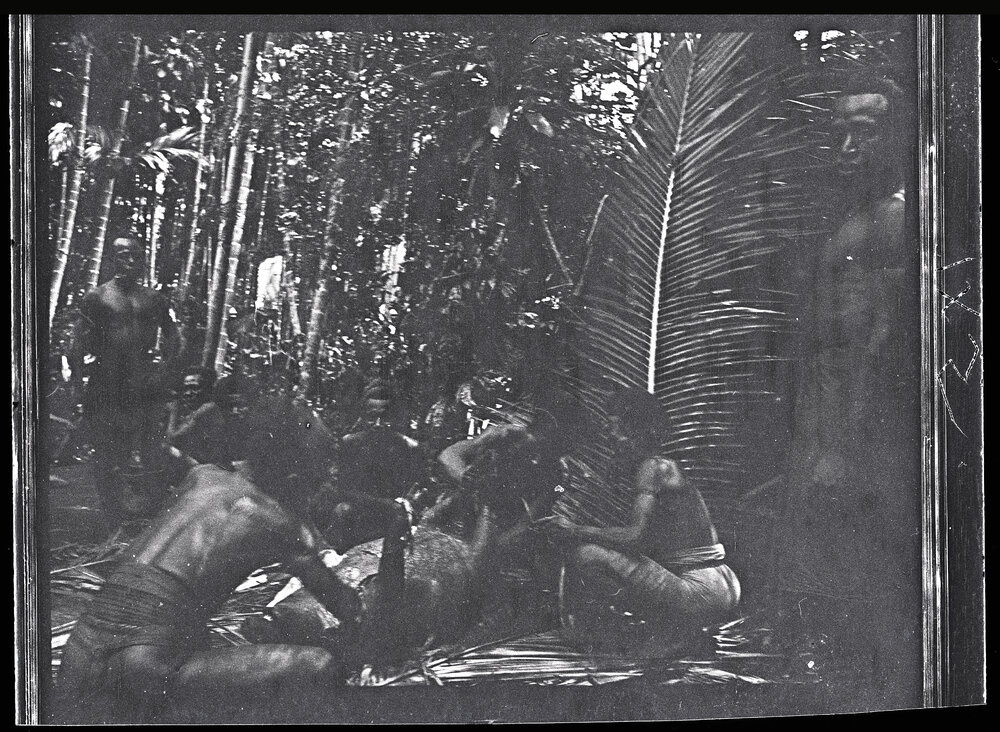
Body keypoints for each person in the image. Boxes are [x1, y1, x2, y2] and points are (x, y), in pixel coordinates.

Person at [53, 397, 363, 724]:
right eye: (320, 466)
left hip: (78, 655)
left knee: (191, 633)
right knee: (320, 667)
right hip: (143, 667)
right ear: (296, 470)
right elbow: (344, 605)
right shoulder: (280, 523)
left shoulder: (201, 476)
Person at [543, 387, 740, 653]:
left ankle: (647, 634)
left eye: (614, 427)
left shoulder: (653, 468)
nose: (610, 435)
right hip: (720, 585)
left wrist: (574, 529)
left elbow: (634, 537)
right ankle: (677, 634)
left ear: (634, 428)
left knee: (587, 554)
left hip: (701, 590)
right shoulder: (658, 468)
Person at [66, 236, 185, 526]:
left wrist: (166, 372)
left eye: (134, 256)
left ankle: (151, 511)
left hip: (144, 382)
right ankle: (112, 516)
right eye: (122, 255)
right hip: (106, 381)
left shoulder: (153, 299)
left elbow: (176, 339)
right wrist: (77, 382)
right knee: (108, 449)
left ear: (142, 260)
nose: (129, 262)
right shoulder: (98, 297)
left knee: (151, 448)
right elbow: (77, 343)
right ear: (112, 259)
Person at [312, 378, 428, 552]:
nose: (379, 424)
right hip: (361, 515)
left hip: (397, 518)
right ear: (364, 415)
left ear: (394, 416)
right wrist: (385, 504)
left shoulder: (409, 447)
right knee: (341, 511)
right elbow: (343, 490)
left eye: (385, 417)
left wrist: (409, 502)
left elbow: (419, 488)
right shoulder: (350, 444)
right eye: (373, 417)